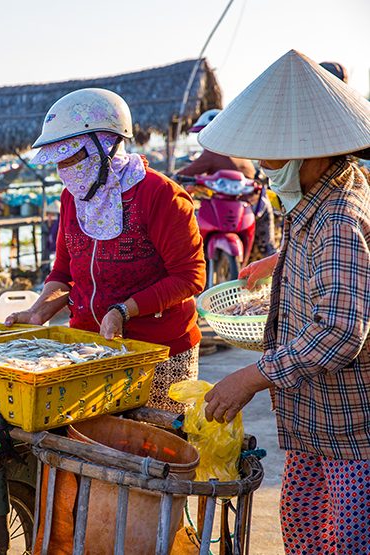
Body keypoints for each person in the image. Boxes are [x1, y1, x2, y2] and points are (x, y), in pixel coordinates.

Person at [199, 50, 370, 553]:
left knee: (345, 542)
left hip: (346, 428)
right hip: (310, 420)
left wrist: (250, 377)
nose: (267, 167)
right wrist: (276, 259)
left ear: (315, 150)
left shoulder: (340, 215)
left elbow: (340, 330)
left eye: (274, 155)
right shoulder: (321, 195)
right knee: (306, 533)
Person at [6, 88, 206, 413]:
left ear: (106, 146)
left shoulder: (161, 195)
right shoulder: (71, 197)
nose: (64, 168)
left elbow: (189, 277)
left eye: (73, 157)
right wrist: (39, 312)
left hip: (159, 351)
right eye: (59, 160)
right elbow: (63, 273)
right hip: (89, 350)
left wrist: (124, 310)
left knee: (152, 451)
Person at [240, 58, 360, 288]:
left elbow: (337, 324)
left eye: (272, 152)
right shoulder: (309, 196)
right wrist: (278, 261)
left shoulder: (337, 223)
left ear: (309, 154)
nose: (263, 164)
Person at [178, 109, 278, 258]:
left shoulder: (212, 152)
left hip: (231, 207)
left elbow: (185, 173)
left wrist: (174, 177)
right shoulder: (238, 150)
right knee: (267, 246)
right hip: (253, 203)